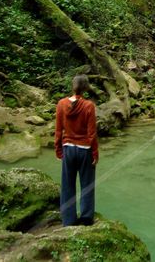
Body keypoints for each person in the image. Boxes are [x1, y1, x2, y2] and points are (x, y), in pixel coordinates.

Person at [54, 74, 98, 226]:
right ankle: (86, 218)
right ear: (85, 88)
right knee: (87, 184)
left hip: (68, 149)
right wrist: (95, 154)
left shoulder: (61, 104)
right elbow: (92, 133)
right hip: (85, 150)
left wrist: (58, 149)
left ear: (72, 86)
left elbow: (58, 130)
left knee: (67, 185)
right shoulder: (89, 106)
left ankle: (68, 219)